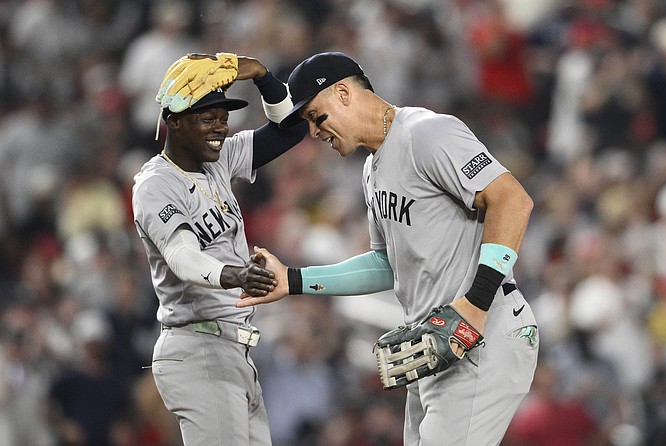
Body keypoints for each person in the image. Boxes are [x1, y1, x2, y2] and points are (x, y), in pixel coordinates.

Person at [237, 52, 539, 446]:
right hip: (440, 343)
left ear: (343, 93)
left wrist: (476, 306)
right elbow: (386, 264)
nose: (313, 133)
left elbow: (512, 201)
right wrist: (294, 280)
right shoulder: (372, 168)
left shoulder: (426, 134)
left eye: (315, 116)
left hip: (486, 332)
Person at [131, 52, 307, 446]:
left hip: (235, 351)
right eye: (207, 118)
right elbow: (181, 256)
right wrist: (235, 275)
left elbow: (290, 130)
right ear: (174, 121)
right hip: (197, 348)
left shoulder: (220, 159)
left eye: (223, 117)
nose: (220, 127)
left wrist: (263, 75)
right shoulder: (155, 183)